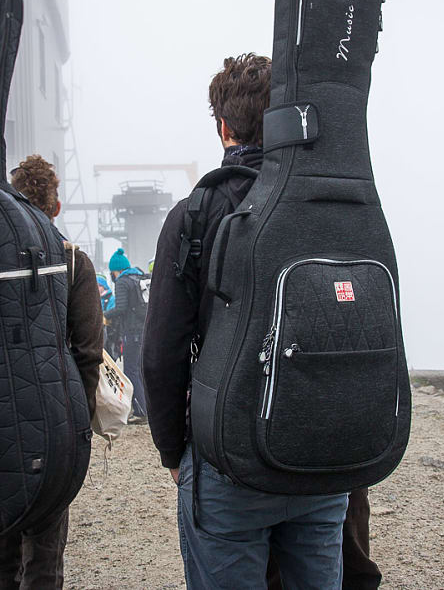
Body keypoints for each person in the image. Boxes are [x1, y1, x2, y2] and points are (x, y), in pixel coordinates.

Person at [142, 53, 349, 588]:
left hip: (226, 456)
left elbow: (163, 350)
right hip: (320, 454)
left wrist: (172, 449)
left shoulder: (195, 214)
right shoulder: (329, 204)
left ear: (223, 126)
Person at [0, 154, 103, 589]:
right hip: (54, 422)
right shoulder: (72, 263)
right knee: (45, 556)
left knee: (1, 556)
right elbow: (88, 353)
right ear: (56, 206)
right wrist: (79, 427)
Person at [103, 248, 148, 423]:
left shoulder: (122, 282)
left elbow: (121, 308)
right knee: (139, 369)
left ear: (115, 270)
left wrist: (104, 315)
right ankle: (144, 407)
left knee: (130, 371)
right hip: (144, 329)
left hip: (132, 331)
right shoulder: (138, 277)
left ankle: (141, 410)